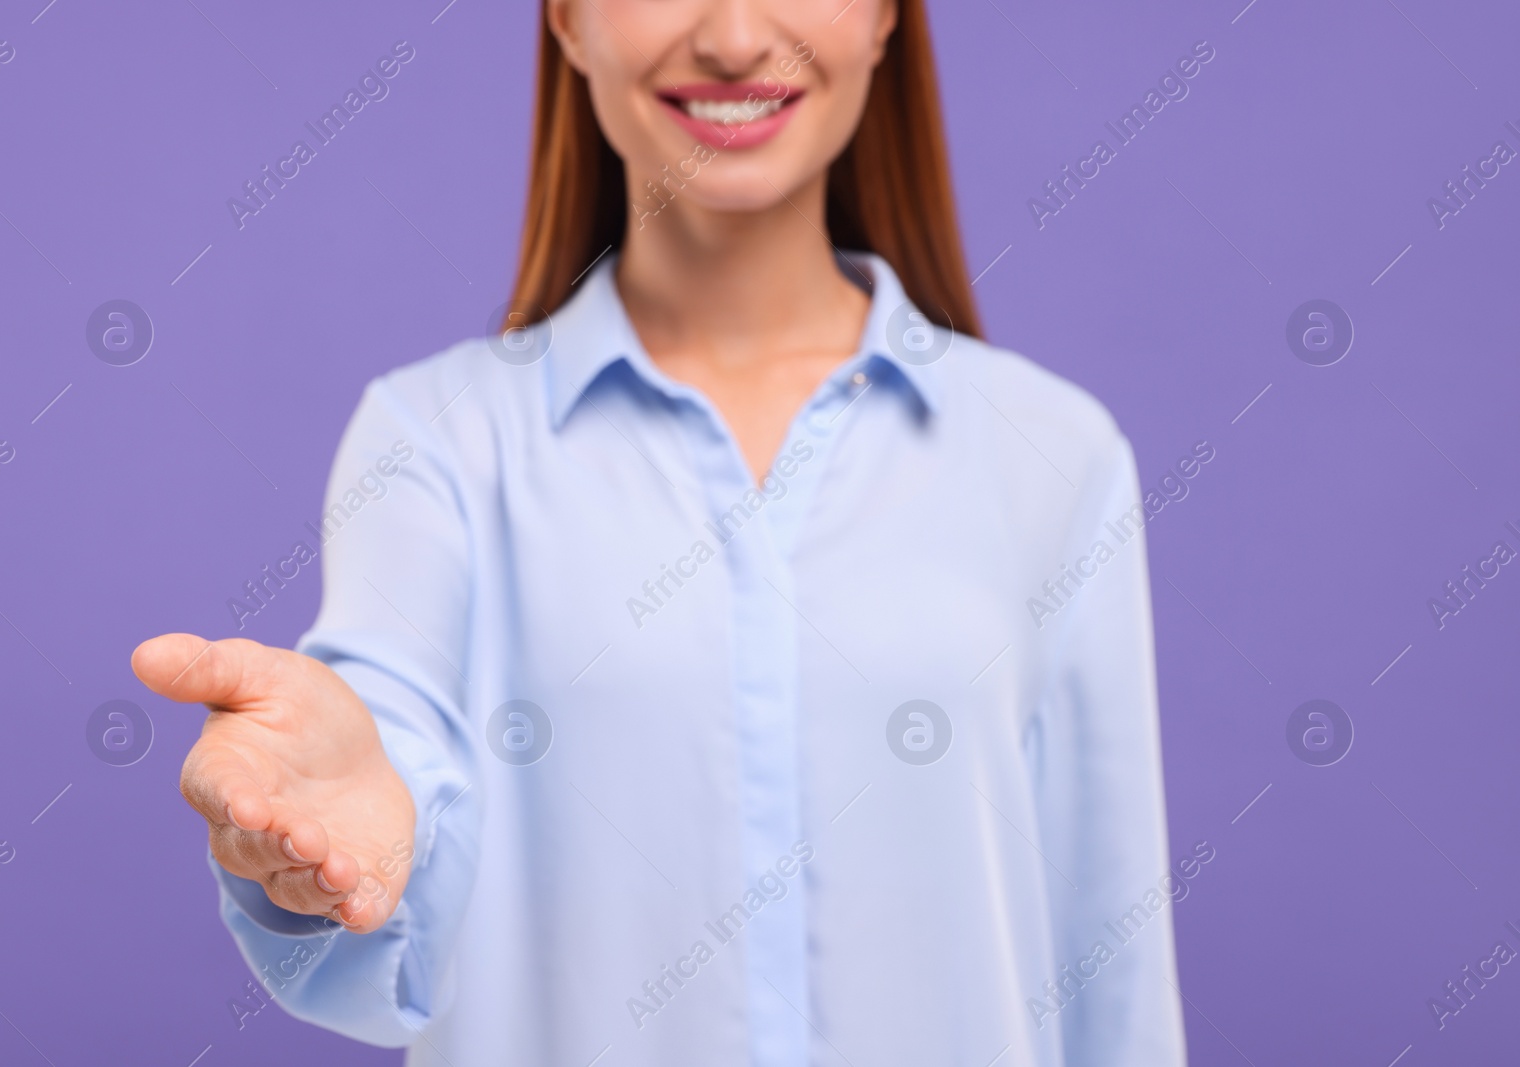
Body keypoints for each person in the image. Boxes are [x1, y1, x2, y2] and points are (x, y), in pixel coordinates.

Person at [132, 1, 1187, 1063]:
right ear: (567, 22)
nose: (731, 37)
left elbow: (1111, 960)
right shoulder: (435, 443)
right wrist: (329, 836)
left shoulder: (1052, 453)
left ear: (882, 18)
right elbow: (394, 773)